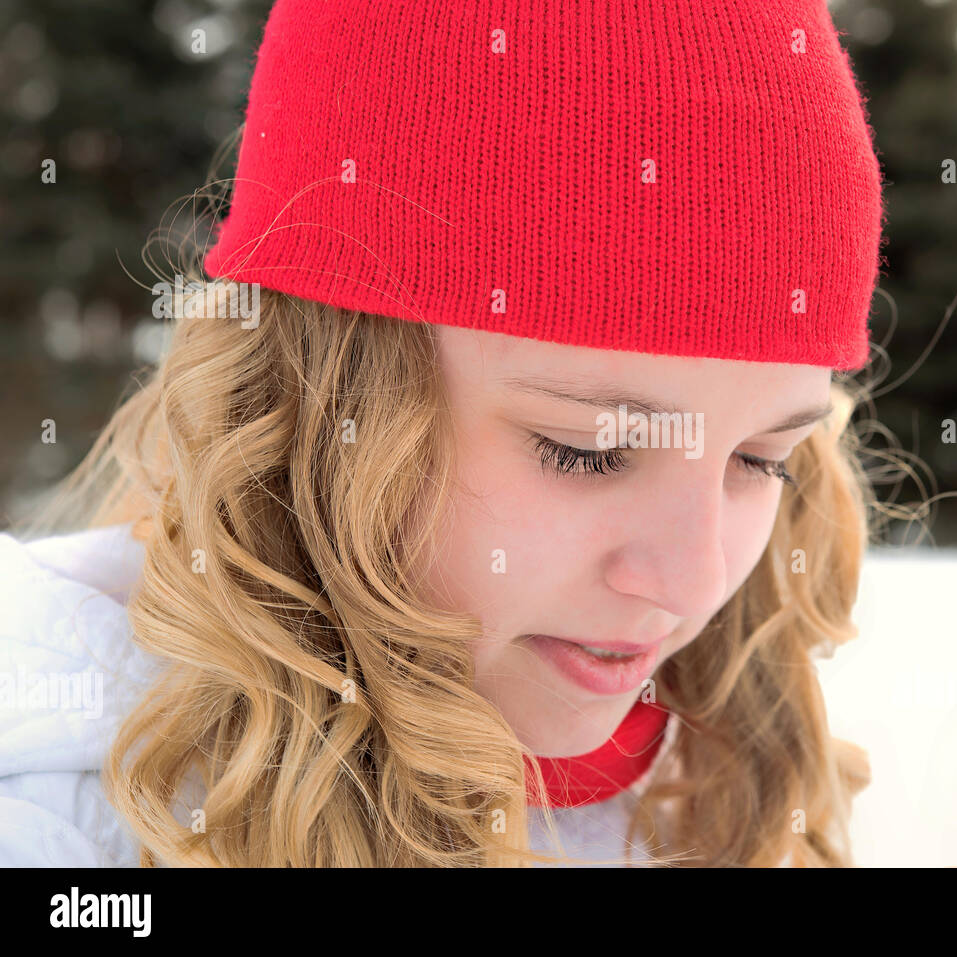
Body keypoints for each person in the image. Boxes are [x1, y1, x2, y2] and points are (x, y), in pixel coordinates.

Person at [0, 0, 882, 867]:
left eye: (764, 461)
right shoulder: (62, 813)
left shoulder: (709, 791)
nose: (695, 578)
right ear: (322, 401)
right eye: (587, 451)